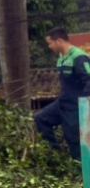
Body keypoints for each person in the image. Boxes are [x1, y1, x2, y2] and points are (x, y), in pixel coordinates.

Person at [36, 28, 90, 160]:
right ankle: (55, 156)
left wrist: (86, 105)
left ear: (59, 41)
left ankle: (80, 169)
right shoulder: (61, 57)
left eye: (50, 43)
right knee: (41, 118)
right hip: (63, 102)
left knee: (73, 137)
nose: (49, 46)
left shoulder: (79, 57)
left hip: (76, 105)